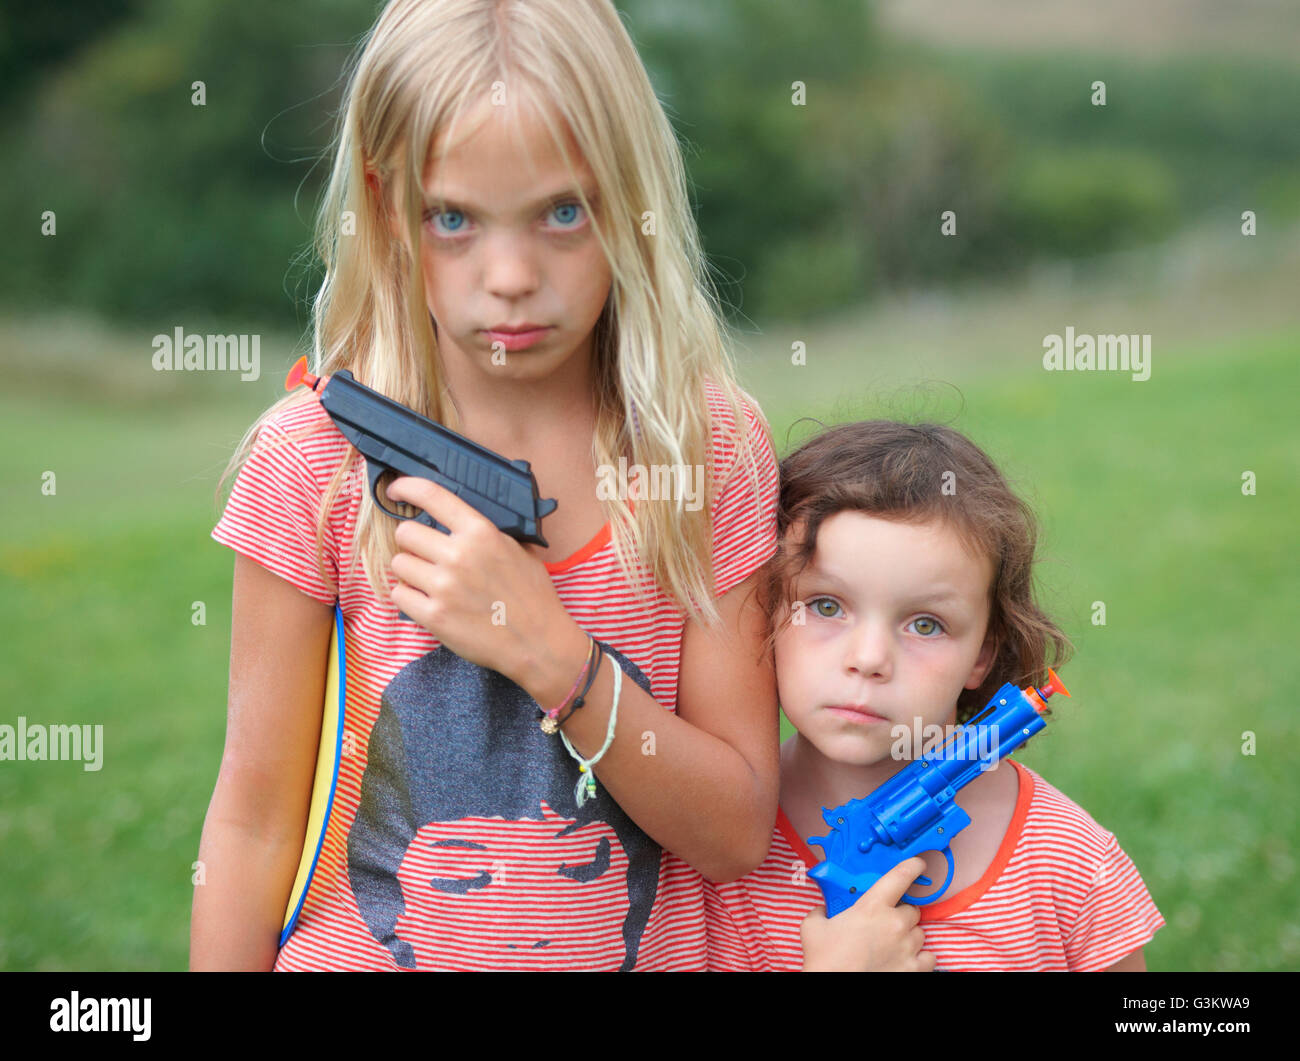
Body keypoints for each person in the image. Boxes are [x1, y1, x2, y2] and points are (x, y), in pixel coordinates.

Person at [191, 0, 781, 971]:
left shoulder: (705, 446)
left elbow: (733, 830)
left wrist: (555, 655)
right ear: (387, 208)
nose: (510, 277)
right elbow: (253, 826)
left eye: (562, 211)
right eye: (453, 218)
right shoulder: (313, 459)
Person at [706, 420, 1165, 971]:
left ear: (982, 655)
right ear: (764, 611)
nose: (870, 658)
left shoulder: (1068, 861)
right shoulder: (716, 849)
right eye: (826, 606)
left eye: (925, 624)